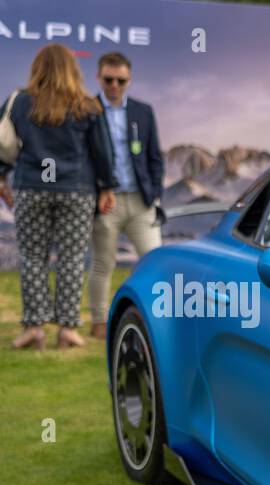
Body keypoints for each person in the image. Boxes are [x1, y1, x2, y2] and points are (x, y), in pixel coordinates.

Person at [0, 44, 116, 351]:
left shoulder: (20, 101)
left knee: (32, 258)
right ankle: (67, 330)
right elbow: (102, 152)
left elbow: (3, 142)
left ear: (38, 68)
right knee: (72, 259)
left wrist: (1, 177)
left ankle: (34, 328)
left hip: (31, 188)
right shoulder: (88, 105)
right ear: (72, 69)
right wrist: (106, 187)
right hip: (76, 192)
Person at [87, 51, 165, 340]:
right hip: (105, 202)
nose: (114, 86)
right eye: (108, 79)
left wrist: (154, 194)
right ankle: (99, 322)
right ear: (99, 77)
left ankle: (156, 319)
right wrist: (95, 192)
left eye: (121, 81)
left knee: (154, 260)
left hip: (141, 201)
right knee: (103, 262)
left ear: (129, 80)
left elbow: (155, 156)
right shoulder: (87, 109)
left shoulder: (143, 111)